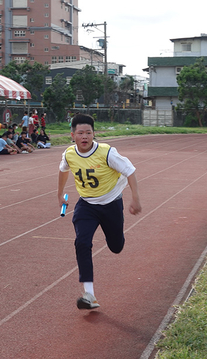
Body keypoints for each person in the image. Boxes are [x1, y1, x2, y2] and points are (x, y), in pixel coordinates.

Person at [57, 114, 142, 310]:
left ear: (94, 134)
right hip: (86, 205)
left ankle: (115, 232)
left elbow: (130, 170)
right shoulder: (69, 154)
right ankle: (89, 295)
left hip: (111, 203)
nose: (84, 136)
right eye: (80, 133)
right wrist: (60, 194)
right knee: (82, 242)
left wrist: (135, 198)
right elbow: (63, 170)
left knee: (116, 246)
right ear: (72, 135)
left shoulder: (107, 153)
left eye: (88, 132)